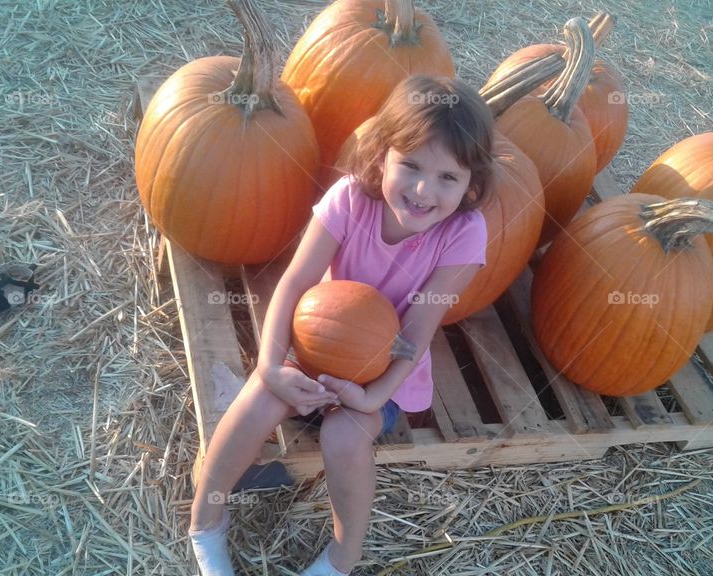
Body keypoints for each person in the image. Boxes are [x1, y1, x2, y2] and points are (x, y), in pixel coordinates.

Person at [188, 74, 495, 576]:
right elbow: (293, 285)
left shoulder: (464, 233)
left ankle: (342, 555)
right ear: (381, 157)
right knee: (260, 397)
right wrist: (270, 366)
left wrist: (371, 398)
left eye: (447, 177)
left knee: (346, 437)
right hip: (316, 343)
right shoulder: (349, 199)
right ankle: (206, 521)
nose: (422, 190)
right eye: (410, 165)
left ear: (471, 185)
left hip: (383, 372)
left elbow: (416, 333)